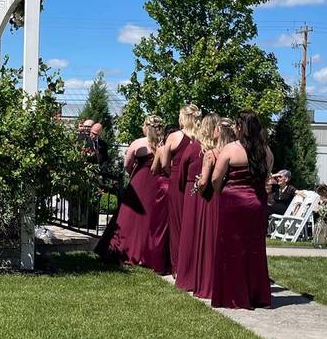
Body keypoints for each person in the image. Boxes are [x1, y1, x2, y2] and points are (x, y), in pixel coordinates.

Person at [200, 111, 273, 309]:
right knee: (254, 249)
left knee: (231, 248)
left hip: (233, 203)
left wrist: (219, 193)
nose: (233, 128)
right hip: (257, 204)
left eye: (236, 125)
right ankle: (256, 294)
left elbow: (216, 178)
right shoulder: (266, 151)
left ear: (241, 128)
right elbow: (266, 177)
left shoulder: (231, 149)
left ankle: (232, 295)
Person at [95, 116, 170, 274]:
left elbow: (127, 164)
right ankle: (148, 253)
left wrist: (134, 174)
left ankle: (124, 250)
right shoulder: (165, 144)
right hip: (158, 184)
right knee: (151, 217)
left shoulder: (138, 143)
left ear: (146, 127)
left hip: (139, 182)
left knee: (128, 217)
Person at [175, 114, 235, 298]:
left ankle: (192, 276)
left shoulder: (198, 149)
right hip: (228, 199)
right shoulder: (235, 151)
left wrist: (196, 186)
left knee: (196, 235)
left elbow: (184, 173)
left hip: (203, 196)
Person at [152, 104, 201, 274]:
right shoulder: (201, 137)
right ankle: (193, 265)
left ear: (183, 118)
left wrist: (173, 172)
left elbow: (164, 163)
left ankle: (177, 266)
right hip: (195, 182)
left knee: (177, 224)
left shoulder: (174, 136)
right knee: (193, 223)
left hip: (177, 181)